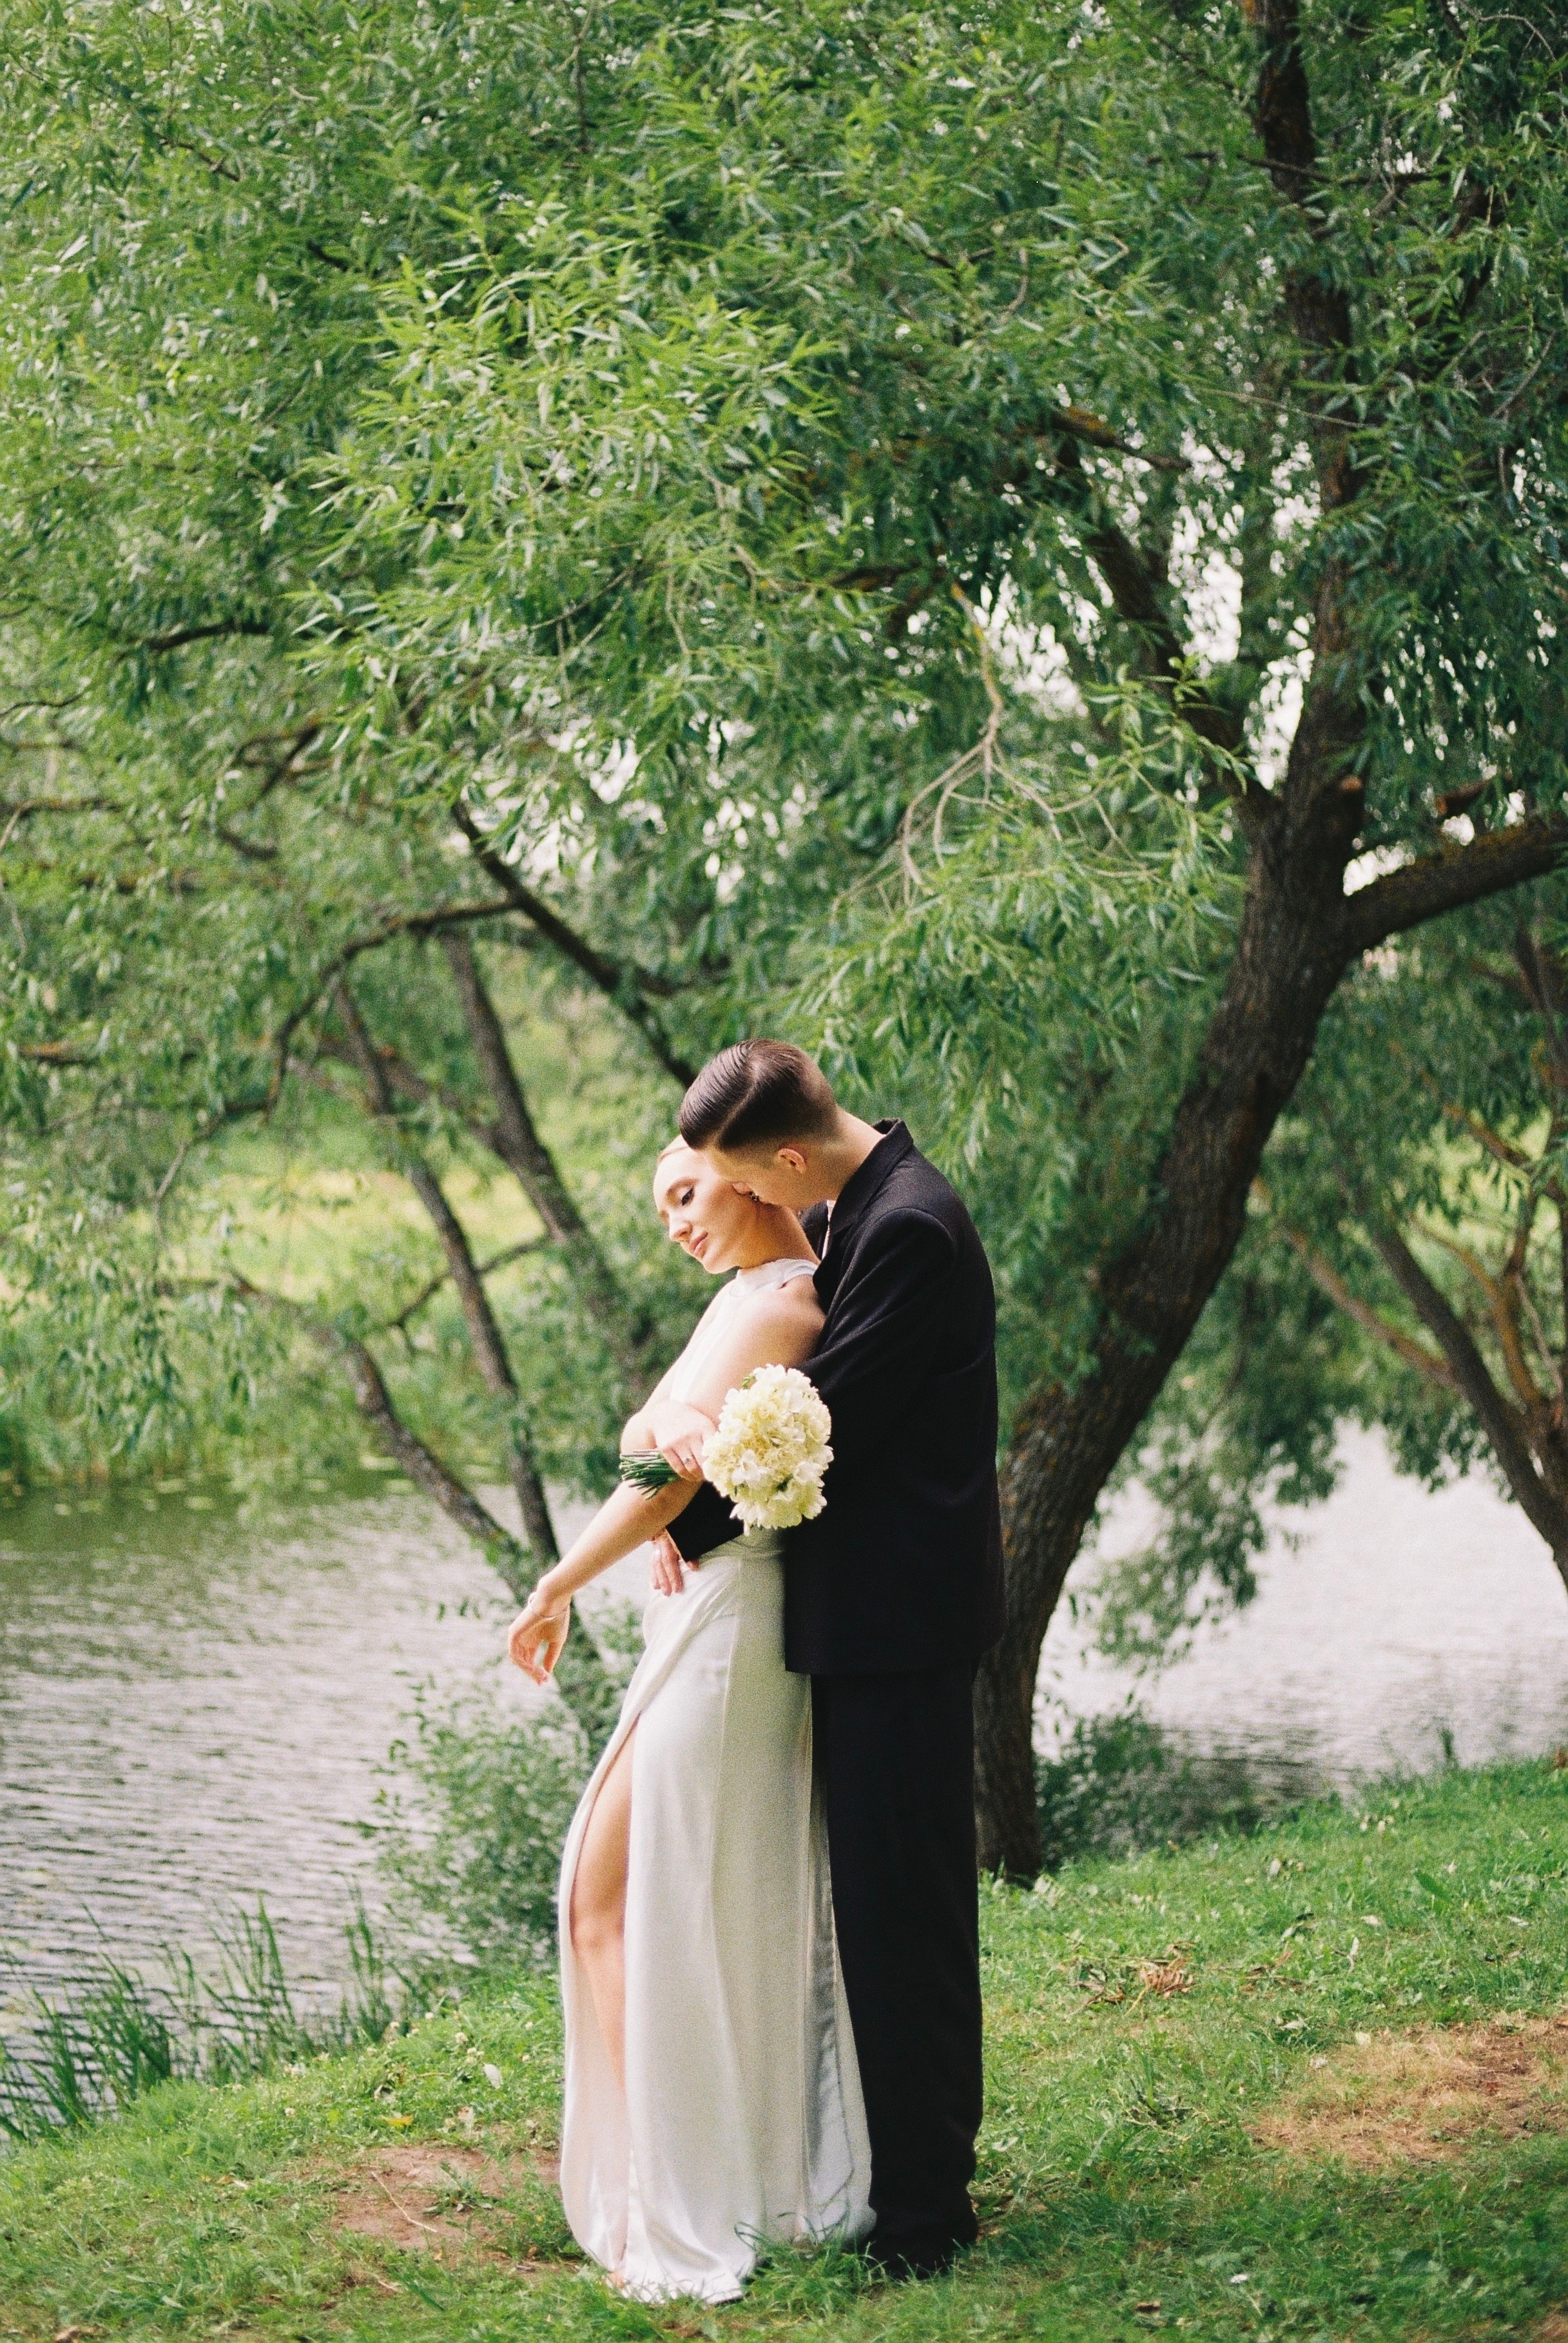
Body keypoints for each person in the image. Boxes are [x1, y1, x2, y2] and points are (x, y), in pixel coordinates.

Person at [657, 1041, 1005, 2279]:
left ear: (792, 1158)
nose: (750, 1202)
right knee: (879, 1910)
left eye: (750, 1180)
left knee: (904, 1918)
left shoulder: (905, 1227)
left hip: (898, 1626)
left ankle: (926, 2215)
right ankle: (900, 2181)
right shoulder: (860, 1213)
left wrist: (678, 1526)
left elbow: (823, 1426)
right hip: (873, 1622)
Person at [506, 1141, 871, 2304]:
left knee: (611, 1892)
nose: (671, 1222)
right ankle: (678, 2179)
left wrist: (558, 1582)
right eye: (660, 1206)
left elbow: (660, 1471)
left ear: (749, 1176)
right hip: (700, 1609)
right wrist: (657, 1455)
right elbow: (649, 1445)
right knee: (619, 1897)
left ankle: (680, 2199)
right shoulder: (743, 1297)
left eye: (684, 1193)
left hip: (729, 1629)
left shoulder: (785, 1305)